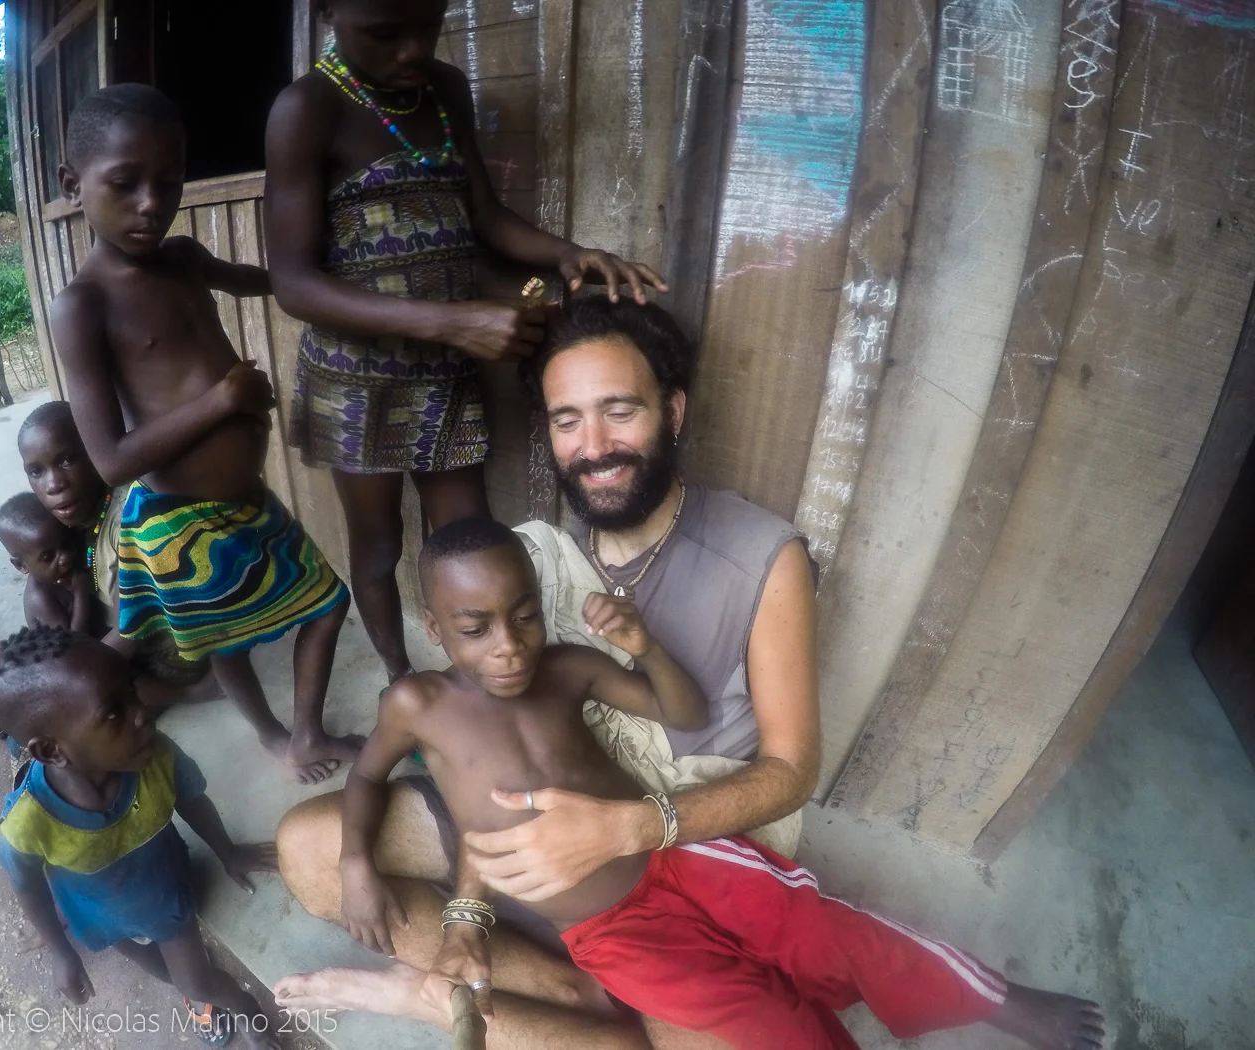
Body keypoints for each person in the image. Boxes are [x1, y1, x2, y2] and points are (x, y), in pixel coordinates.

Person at [274, 519, 1106, 1050]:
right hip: (607, 935)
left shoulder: (566, 669)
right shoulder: (416, 705)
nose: (509, 645)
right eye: (475, 627)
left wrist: (644, 645)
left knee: (828, 935)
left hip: (678, 858)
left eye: (523, 614)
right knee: (758, 1022)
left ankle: (995, 999)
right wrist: (355, 862)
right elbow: (368, 779)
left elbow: (683, 709)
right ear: (434, 628)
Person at [274, 298, 819, 1047]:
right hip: (520, 822)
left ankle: (441, 999)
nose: (594, 446)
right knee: (311, 849)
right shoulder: (529, 558)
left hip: (666, 846)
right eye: (568, 421)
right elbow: (471, 728)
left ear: (673, 411)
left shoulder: (760, 556)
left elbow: (791, 772)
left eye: (619, 411)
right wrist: (465, 907)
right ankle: (540, 991)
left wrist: (628, 826)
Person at [264, 0, 667, 684]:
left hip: (443, 374)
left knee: (471, 541)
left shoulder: (444, 89)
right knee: (378, 547)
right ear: (328, 10)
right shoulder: (307, 109)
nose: (412, 49)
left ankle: (484, 686)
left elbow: (483, 214)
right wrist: (453, 322)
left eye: (428, 24)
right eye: (385, 32)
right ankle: (403, 682)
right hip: (354, 381)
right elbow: (294, 284)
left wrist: (568, 255)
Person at [51, 84, 355, 783]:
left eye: (169, 182)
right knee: (230, 640)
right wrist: (225, 401)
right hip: (176, 521)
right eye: (124, 183)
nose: (151, 204)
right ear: (72, 186)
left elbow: (263, 281)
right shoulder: (84, 305)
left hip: (245, 500)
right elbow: (111, 460)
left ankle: (303, 733)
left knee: (324, 605)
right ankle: (279, 737)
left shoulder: (184, 258)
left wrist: (320, 274)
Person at [0, 626, 280, 1048]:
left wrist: (227, 851)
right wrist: (60, 950)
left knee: (196, 980)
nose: (141, 713)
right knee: (162, 971)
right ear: (51, 751)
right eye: (113, 712)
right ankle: (191, 988)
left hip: (164, 892)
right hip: (98, 915)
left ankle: (245, 1009)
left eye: (132, 691)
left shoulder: (154, 756)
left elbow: (192, 800)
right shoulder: (27, 823)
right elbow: (26, 885)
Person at [17, 400, 208, 692]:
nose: (54, 484)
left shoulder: (131, 521)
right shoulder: (72, 510)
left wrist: (68, 676)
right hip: (110, 629)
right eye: (36, 472)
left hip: (165, 652)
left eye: (67, 460)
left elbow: (128, 634)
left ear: (95, 452)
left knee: (83, 700)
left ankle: (190, 694)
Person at [0, 492, 98, 634]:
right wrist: (81, 593)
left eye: (66, 543)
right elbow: (74, 641)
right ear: (21, 565)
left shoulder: (62, 569)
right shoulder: (40, 598)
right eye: (48, 557)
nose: (65, 557)